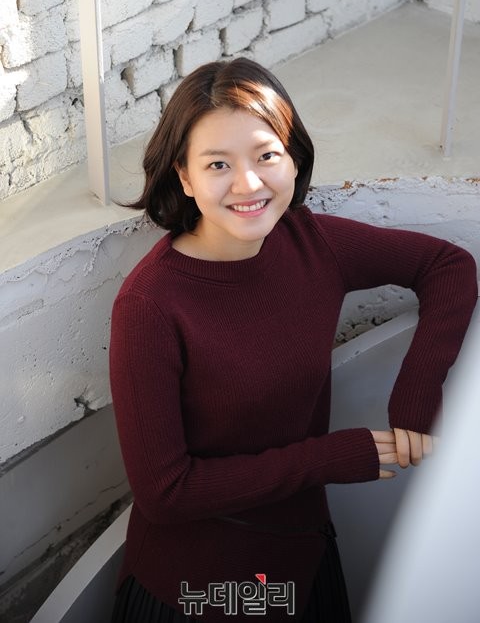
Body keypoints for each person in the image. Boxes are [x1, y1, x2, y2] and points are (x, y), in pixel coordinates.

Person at [109, 57, 477, 622]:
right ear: (184, 176)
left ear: (293, 157)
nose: (248, 184)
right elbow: (165, 492)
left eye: (266, 156)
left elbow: (447, 266)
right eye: (217, 164)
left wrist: (416, 398)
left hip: (304, 555)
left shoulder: (311, 243)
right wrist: (328, 459)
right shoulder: (149, 307)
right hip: (201, 588)